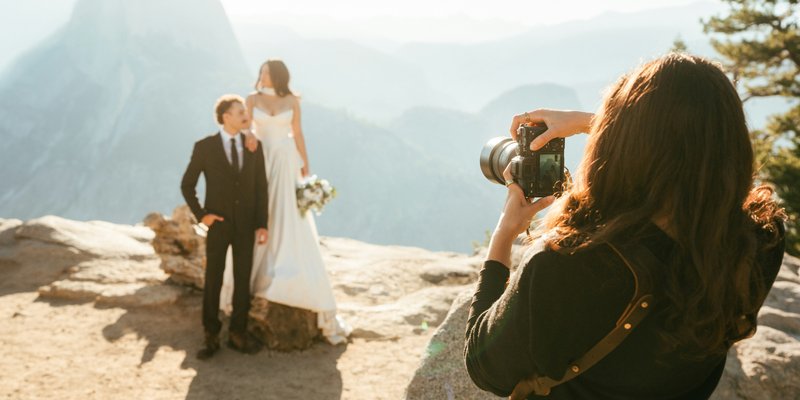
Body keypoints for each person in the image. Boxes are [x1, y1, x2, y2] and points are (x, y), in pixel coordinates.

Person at [464, 54, 786, 399]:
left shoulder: (566, 264)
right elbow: (693, 153)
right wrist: (597, 122)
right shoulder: (761, 238)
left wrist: (504, 235)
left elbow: (486, 370)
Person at [219, 59, 351, 344]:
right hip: (260, 159)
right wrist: (250, 136)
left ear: (277, 75)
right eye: (261, 72)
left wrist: (305, 163)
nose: (261, 76)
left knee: (288, 214)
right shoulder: (251, 99)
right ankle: (250, 277)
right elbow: (242, 127)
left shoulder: (292, 99)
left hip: (287, 158)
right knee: (261, 212)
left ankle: (286, 266)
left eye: (266, 72)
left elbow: (298, 132)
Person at [181, 95, 269, 360]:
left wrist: (262, 223)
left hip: (246, 226)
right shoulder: (204, 147)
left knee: (244, 280)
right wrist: (203, 216)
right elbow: (187, 185)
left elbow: (261, 188)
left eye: (245, 110)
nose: (245, 114)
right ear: (225, 117)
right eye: (240, 111)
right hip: (218, 225)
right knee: (213, 280)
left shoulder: (254, 145)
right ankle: (211, 335)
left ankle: (237, 334)